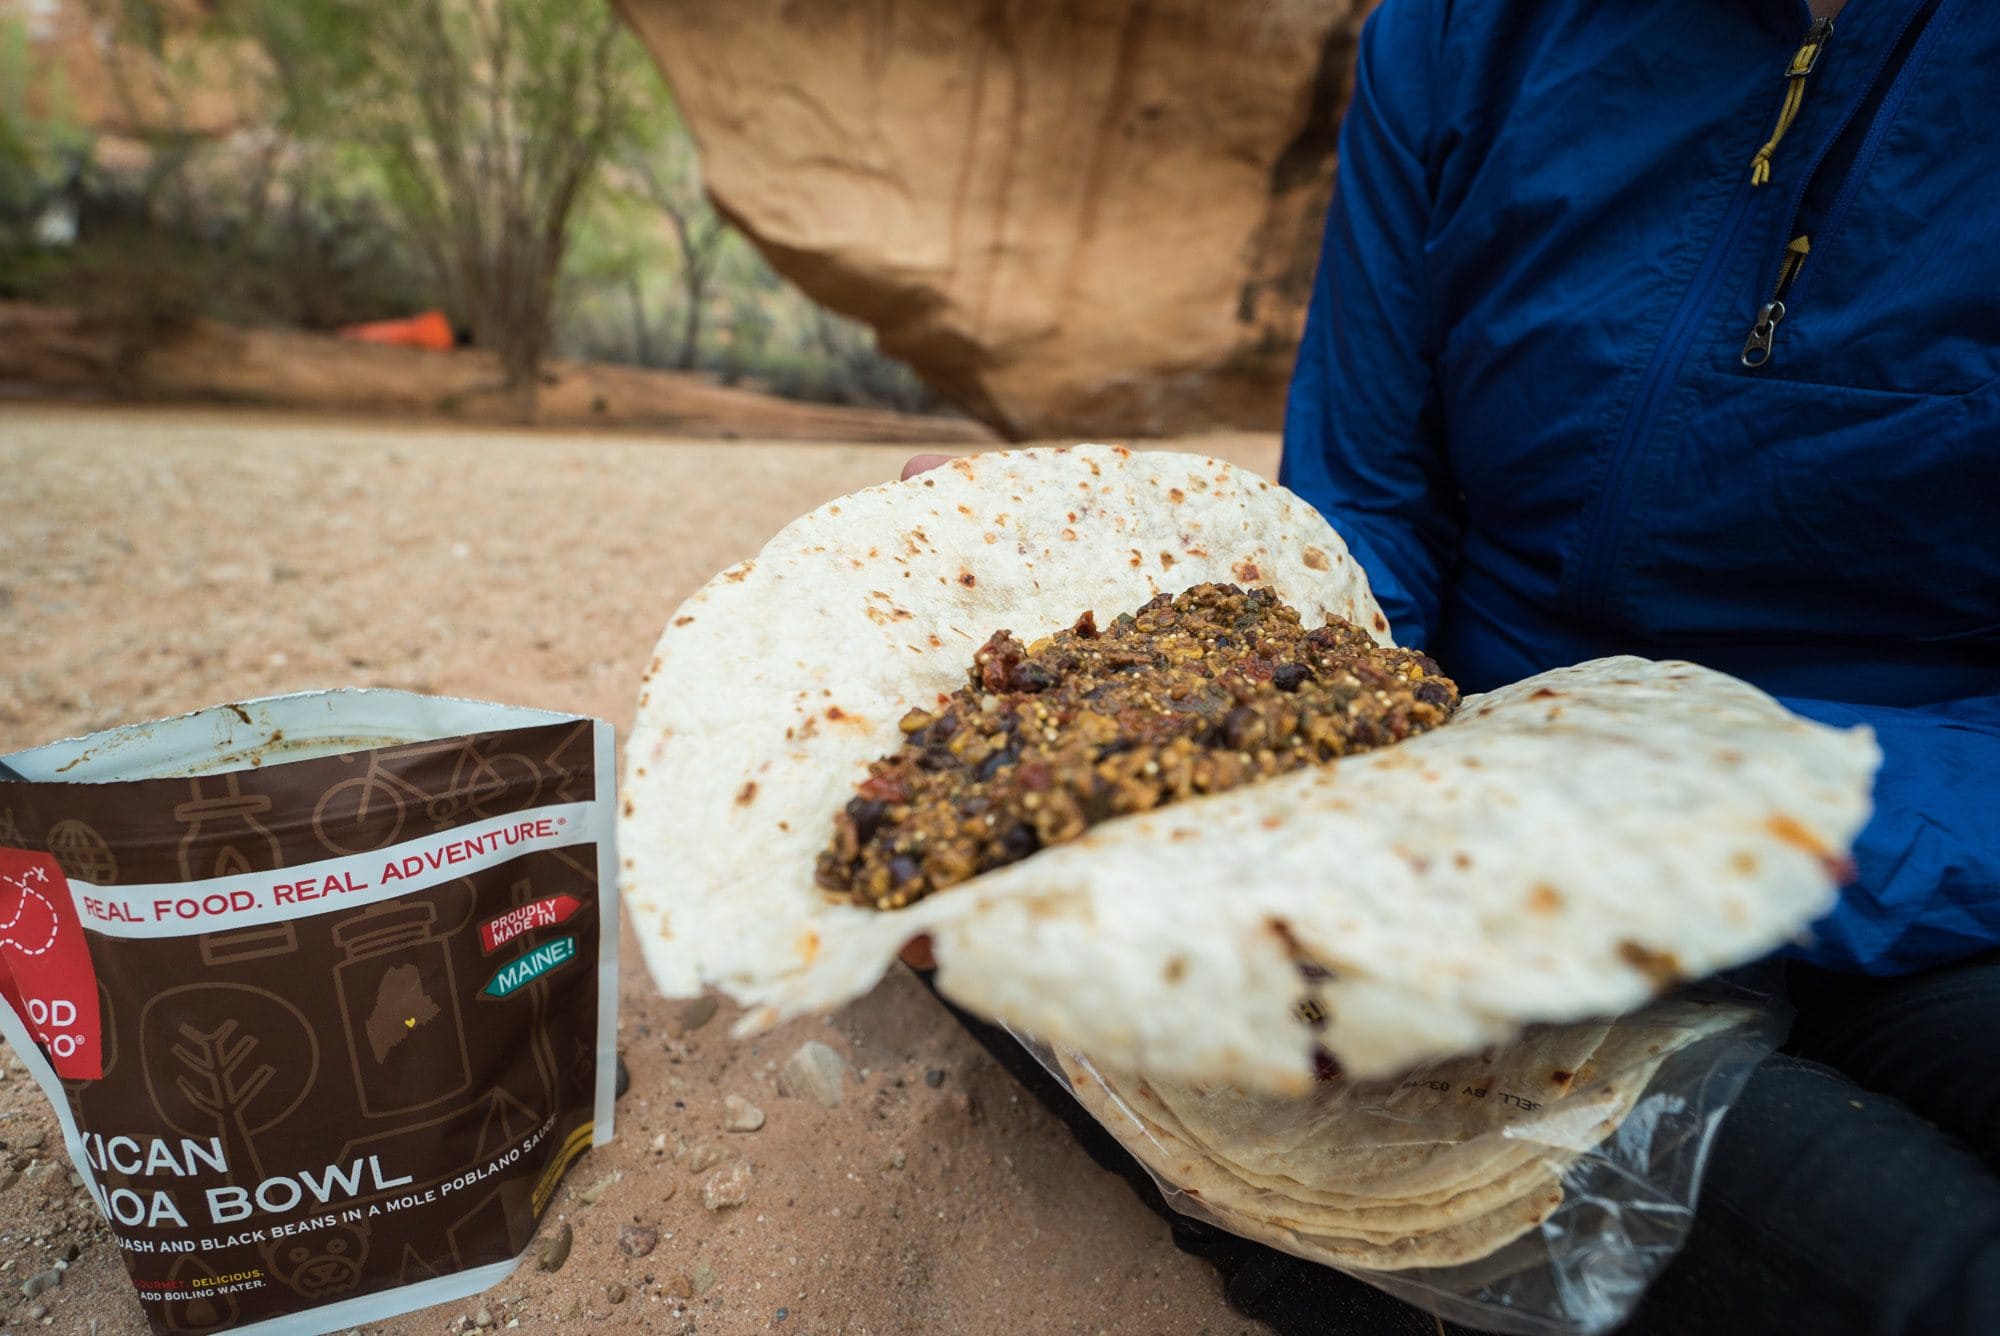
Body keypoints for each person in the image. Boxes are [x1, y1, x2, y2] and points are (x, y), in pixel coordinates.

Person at [908, 0, 2000, 1329]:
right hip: (1474, 821)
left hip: (1927, 834)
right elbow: (1369, 516)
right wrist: (1137, 644)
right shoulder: (1457, 36)